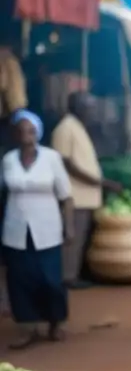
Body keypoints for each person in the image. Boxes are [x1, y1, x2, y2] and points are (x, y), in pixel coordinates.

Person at [1, 110, 74, 348]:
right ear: (14, 134)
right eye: (21, 131)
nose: (26, 135)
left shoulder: (51, 158)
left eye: (31, 130)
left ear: (38, 133)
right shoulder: (8, 160)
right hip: (16, 229)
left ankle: (56, 321)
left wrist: (69, 226)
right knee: (20, 279)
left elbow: (67, 196)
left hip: (47, 228)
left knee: (50, 279)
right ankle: (27, 326)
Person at [50, 92, 121, 289]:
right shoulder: (65, 128)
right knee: (72, 239)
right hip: (75, 196)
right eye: (89, 107)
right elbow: (66, 163)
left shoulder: (78, 127)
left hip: (86, 196)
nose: (92, 111)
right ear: (77, 107)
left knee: (81, 238)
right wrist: (99, 182)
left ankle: (75, 273)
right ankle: (68, 277)